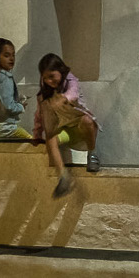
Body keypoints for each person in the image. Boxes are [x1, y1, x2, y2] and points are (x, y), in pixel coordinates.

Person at [33, 53, 99, 197]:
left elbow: (73, 94)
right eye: (45, 78)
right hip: (66, 130)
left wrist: (63, 99)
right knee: (51, 138)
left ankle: (92, 155)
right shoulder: (45, 93)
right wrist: (37, 134)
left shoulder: (71, 80)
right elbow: (39, 114)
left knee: (87, 121)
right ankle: (63, 177)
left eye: (52, 76)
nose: (49, 81)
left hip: (81, 130)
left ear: (61, 71)